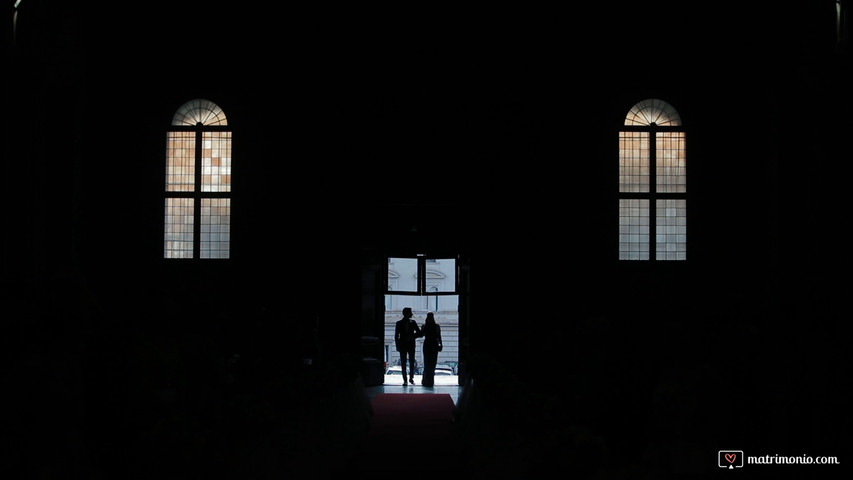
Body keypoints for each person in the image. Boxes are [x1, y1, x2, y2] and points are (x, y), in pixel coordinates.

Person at [394, 307, 422, 385]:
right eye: (410, 312)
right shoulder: (400, 323)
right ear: (406, 313)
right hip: (405, 345)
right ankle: (406, 379)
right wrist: (397, 345)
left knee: (411, 361)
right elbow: (396, 335)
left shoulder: (411, 322)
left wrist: (412, 337)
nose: (412, 314)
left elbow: (419, 333)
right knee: (405, 362)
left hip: (409, 344)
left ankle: (410, 378)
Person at [419, 311, 443, 387]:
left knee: (427, 363)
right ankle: (430, 381)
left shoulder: (424, 326)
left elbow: (421, 335)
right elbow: (439, 336)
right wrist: (441, 344)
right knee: (432, 364)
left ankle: (426, 380)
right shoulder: (436, 326)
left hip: (427, 345)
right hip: (434, 345)